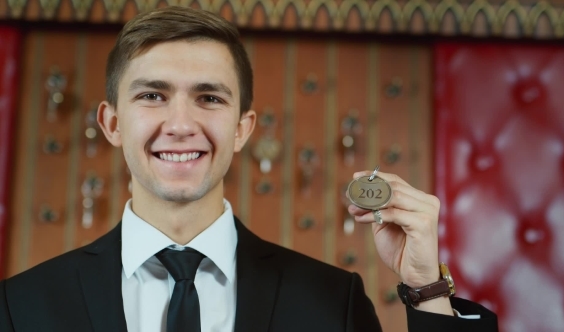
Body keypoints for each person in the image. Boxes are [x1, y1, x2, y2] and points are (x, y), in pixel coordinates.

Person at [0, 6, 498, 332]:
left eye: (209, 98)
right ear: (111, 123)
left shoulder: (333, 303)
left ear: (242, 128)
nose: (181, 124)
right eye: (152, 95)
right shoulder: (20, 308)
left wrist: (427, 286)